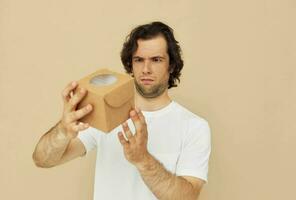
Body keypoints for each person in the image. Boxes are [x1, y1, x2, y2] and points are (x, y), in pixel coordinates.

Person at [32, 21, 211, 200]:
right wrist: (62, 131)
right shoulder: (104, 114)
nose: (146, 69)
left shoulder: (194, 126)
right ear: (131, 65)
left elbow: (187, 197)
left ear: (171, 65)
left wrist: (143, 159)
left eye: (156, 60)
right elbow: (42, 160)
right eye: (139, 60)